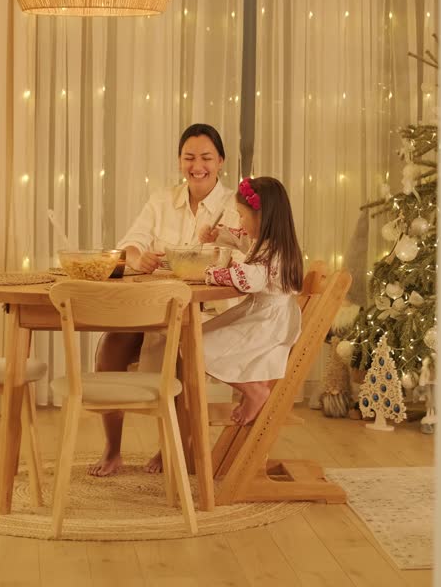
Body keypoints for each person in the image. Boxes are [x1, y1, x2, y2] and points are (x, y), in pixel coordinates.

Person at [89, 123, 240, 477]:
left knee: (183, 349)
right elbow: (129, 245)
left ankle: (173, 443)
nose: (197, 166)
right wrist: (137, 257)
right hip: (154, 307)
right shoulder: (161, 200)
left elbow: (240, 257)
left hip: (206, 311)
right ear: (179, 161)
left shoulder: (234, 206)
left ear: (220, 161)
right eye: (189, 157)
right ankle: (112, 449)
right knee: (111, 345)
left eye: (206, 158)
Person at [198, 177, 305, 425]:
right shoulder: (270, 243)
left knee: (198, 346)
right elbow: (243, 239)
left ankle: (254, 391)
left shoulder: (272, 253)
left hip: (266, 323)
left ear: (262, 218)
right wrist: (218, 235)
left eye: (242, 216)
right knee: (197, 338)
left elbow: (247, 278)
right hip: (264, 314)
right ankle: (252, 390)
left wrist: (210, 272)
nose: (240, 222)